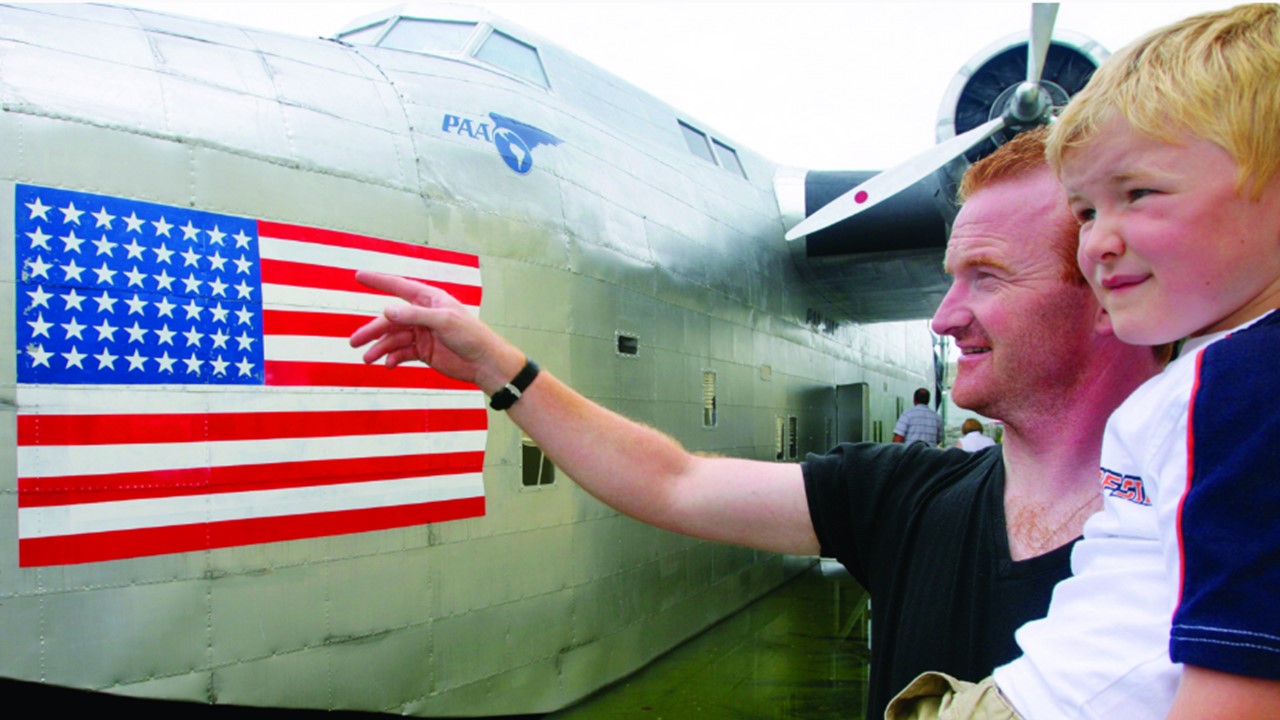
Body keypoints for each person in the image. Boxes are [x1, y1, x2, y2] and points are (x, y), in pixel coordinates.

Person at [348, 128, 1161, 720]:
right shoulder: (906, 497)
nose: (945, 318)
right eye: (948, 278)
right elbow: (674, 482)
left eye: (985, 277)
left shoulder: (1208, 543)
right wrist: (497, 366)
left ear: (1107, 285)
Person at [891, 5, 1280, 719]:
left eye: (1139, 193)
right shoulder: (1211, 377)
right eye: (1087, 210)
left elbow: (1245, 674)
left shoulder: (1248, 386)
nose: (1095, 243)